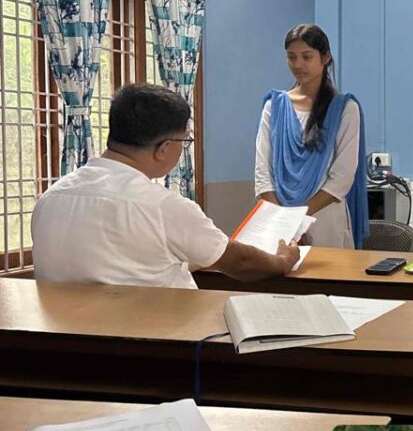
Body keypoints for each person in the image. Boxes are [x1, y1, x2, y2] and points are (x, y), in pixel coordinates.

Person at [32, 84, 299, 289]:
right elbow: (241, 263)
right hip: (159, 336)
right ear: (164, 148)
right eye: (184, 142)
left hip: (67, 340)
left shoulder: (50, 198)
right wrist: (283, 260)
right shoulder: (162, 206)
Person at [254, 24, 368, 249]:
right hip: (279, 220)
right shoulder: (273, 106)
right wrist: (284, 223)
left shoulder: (345, 108)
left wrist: (298, 220)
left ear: (325, 58)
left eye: (306, 57)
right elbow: (262, 172)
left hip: (324, 219)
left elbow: (342, 177)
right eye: (291, 57)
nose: (298, 65)